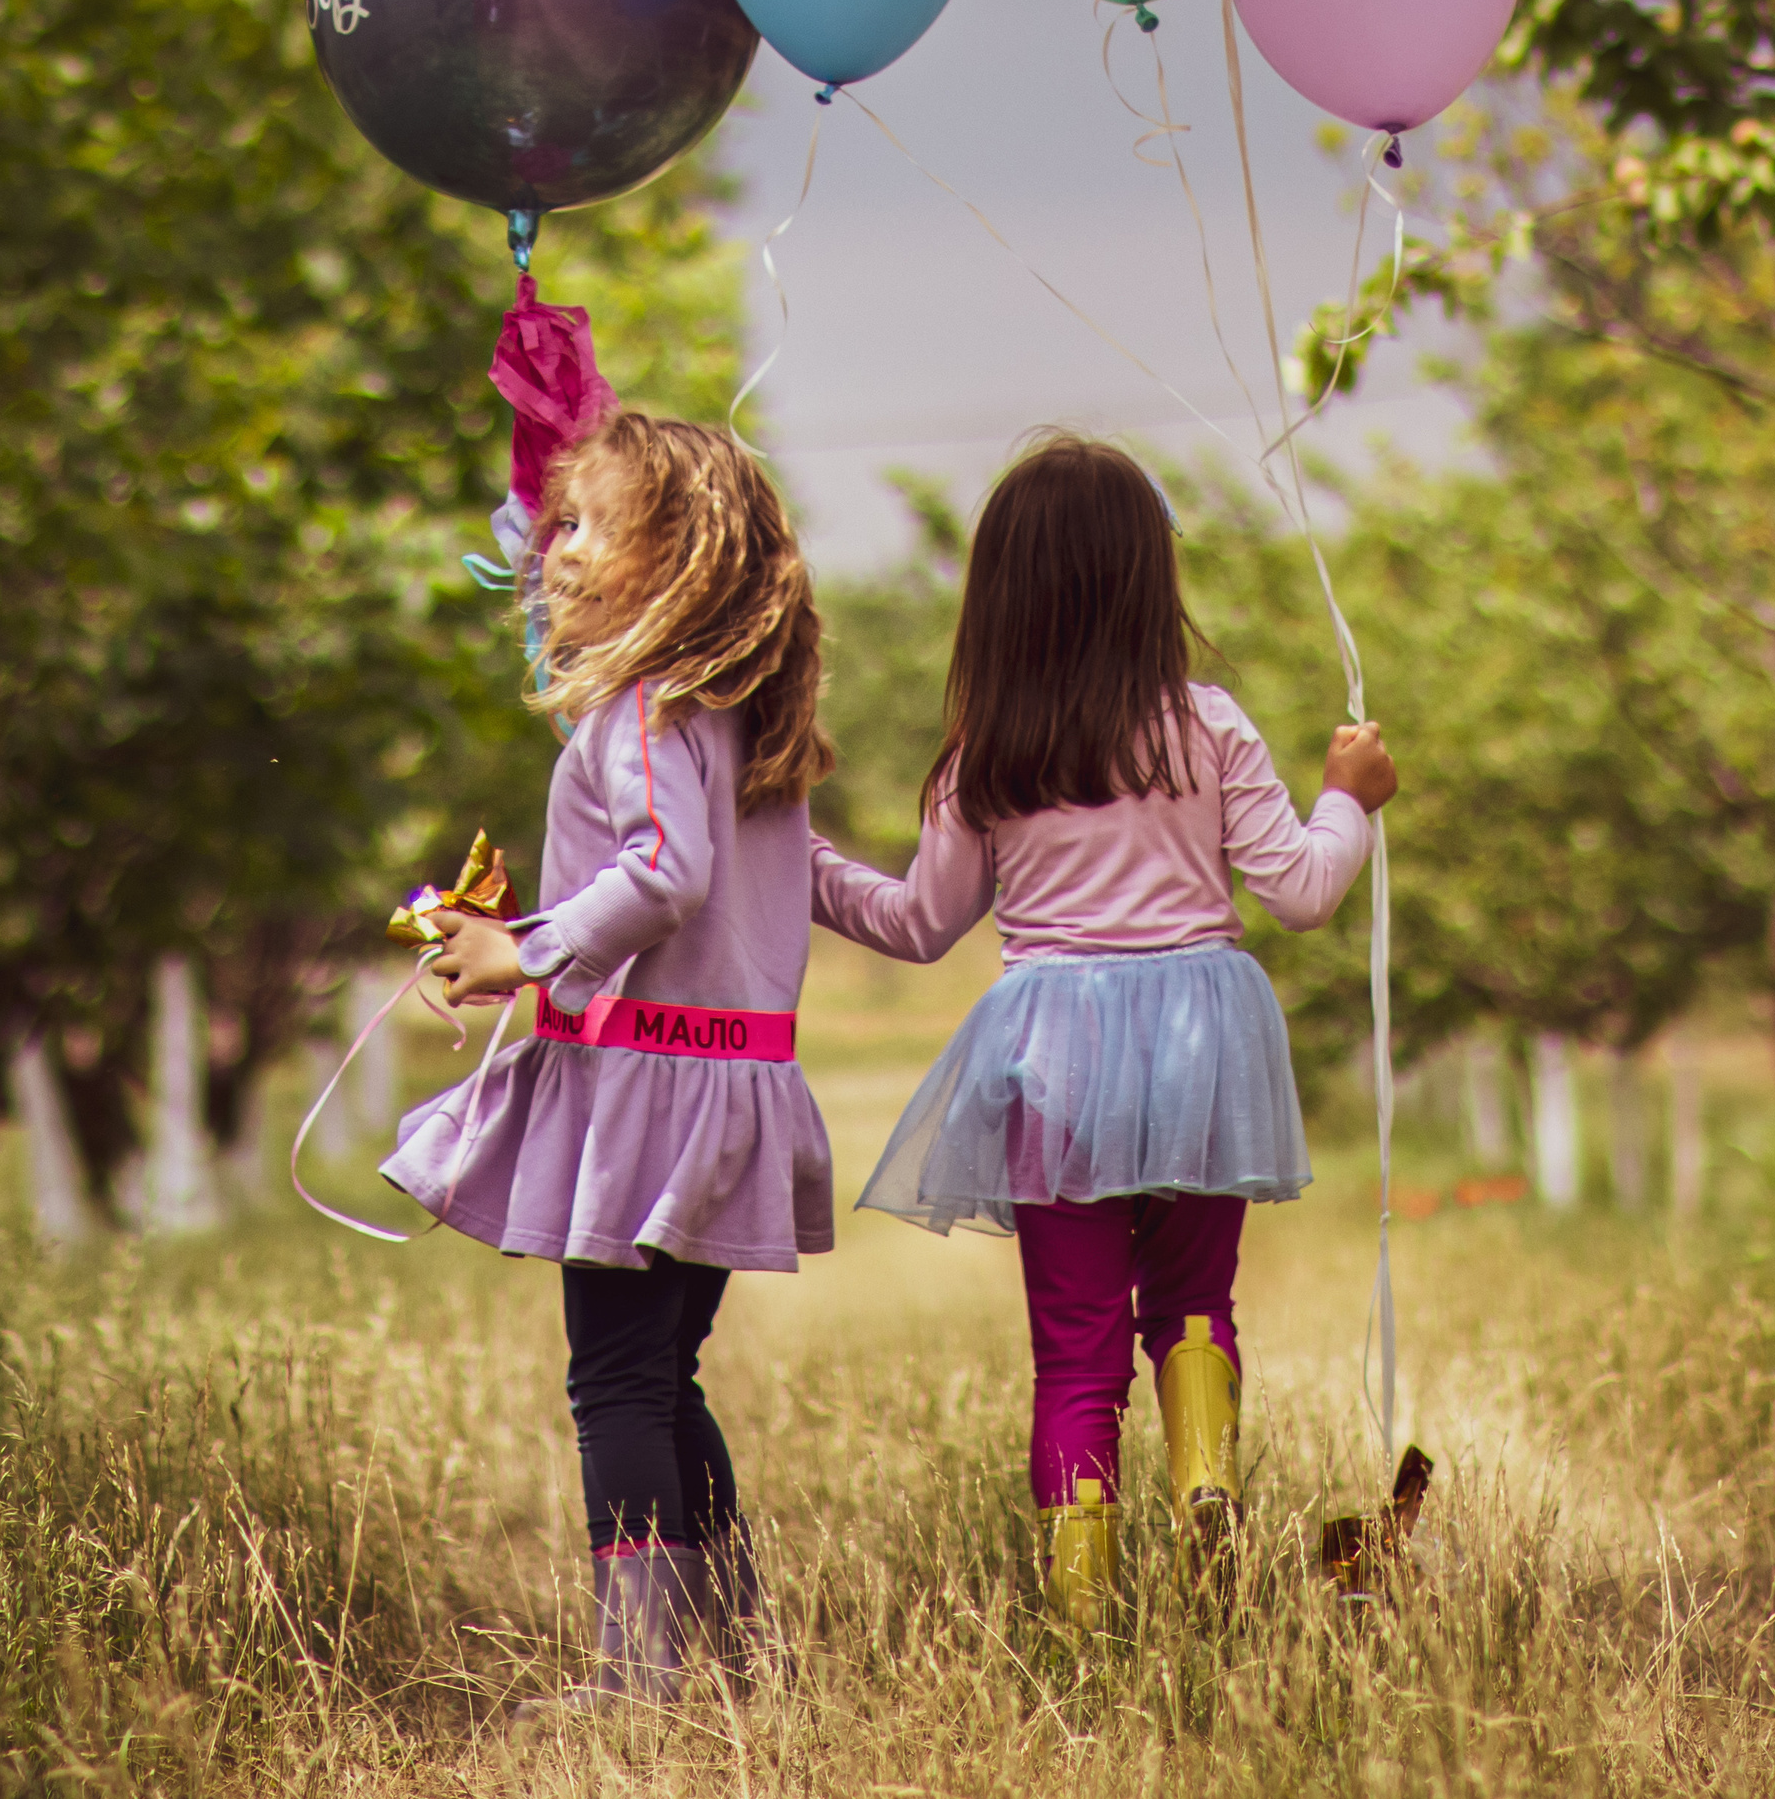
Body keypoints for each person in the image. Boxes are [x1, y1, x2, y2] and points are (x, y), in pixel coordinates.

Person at [809, 434, 1398, 1623]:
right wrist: (1349, 795)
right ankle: (1203, 1484)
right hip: (1201, 1042)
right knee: (1194, 1306)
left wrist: (802, 863)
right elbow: (1299, 892)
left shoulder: (988, 756)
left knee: (1074, 1351)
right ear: (1149, 578)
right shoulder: (1209, 727)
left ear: (1000, 597)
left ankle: (1082, 1616)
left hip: (1054, 1057)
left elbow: (920, 924)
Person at [398, 412, 836, 1706]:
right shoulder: (737, 722)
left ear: (677, 555)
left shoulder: (649, 709)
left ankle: (640, 1675)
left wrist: (524, 950)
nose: (554, 546)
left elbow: (664, 874)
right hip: (722, 1088)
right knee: (660, 1369)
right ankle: (733, 1646)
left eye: (586, 522)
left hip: (650, 1090)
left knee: (616, 1379)